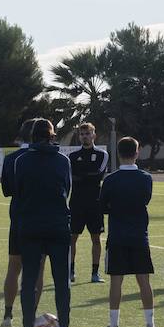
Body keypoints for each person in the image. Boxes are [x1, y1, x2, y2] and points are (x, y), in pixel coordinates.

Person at [11, 118, 74, 327]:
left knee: (29, 279)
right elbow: (67, 190)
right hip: (57, 224)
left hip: (30, 225)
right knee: (61, 280)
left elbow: (18, 192)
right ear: (52, 136)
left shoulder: (22, 160)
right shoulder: (63, 160)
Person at [98, 137, 157, 327]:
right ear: (137, 152)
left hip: (117, 236)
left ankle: (113, 326)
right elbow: (145, 199)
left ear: (118, 153)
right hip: (139, 235)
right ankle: (150, 325)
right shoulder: (145, 178)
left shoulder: (111, 180)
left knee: (116, 282)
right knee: (144, 281)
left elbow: (102, 205)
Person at [0, 119, 45, 327]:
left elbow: (7, 190)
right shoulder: (45, 157)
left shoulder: (11, 159)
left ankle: (8, 315)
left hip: (18, 217)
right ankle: (31, 317)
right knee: (37, 269)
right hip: (40, 217)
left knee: (14, 266)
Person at [68, 122, 109, 285]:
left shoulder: (102, 154)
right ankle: (70, 271)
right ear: (79, 136)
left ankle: (95, 272)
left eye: (88, 133)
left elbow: (98, 176)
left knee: (96, 239)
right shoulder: (72, 156)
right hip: (76, 203)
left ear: (94, 135)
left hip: (95, 203)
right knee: (72, 238)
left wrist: (83, 175)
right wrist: (87, 176)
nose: (85, 136)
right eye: (82, 134)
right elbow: (73, 177)